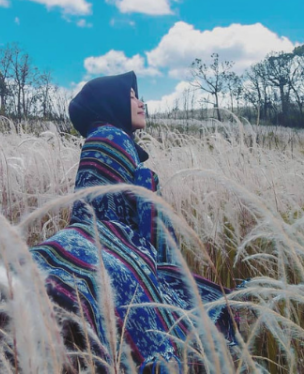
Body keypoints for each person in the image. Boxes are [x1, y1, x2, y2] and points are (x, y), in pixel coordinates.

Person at [29, 71, 235, 372]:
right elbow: (137, 220)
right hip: (118, 245)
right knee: (195, 321)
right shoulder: (112, 137)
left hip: (95, 237)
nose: (141, 103)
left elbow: (91, 207)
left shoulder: (99, 138)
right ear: (110, 102)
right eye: (131, 97)